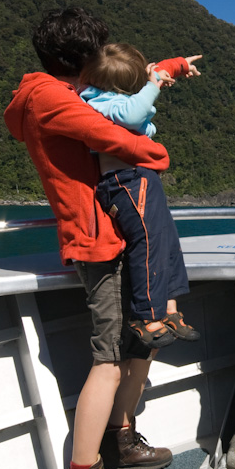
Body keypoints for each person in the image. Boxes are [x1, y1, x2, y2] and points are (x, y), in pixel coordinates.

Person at [4, 6, 194, 469]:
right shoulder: (49, 98)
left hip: (115, 233)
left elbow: (118, 95)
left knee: (138, 342)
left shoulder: (61, 93)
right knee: (108, 356)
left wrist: (163, 70)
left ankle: (121, 437)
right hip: (97, 241)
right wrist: (155, 153)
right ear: (81, 61)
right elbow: (120, 134)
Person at [78, 42, 202, 348]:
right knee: (147, 242)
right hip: (126, 181)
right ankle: (146, 316)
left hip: (140, 180)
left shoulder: (111, 96)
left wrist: (175, 65)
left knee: (166, 239)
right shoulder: (98, 102)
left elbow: (138, 87)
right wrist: (152, 83)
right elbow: (134, 114)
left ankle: (169, 309)